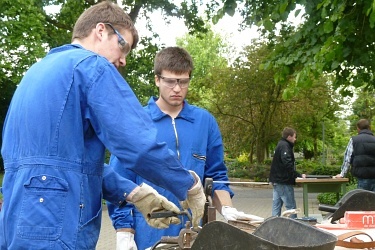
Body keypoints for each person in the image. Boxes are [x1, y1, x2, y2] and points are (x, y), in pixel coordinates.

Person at [0, 2, 205, 249]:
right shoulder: (92, 67)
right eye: (123, 46)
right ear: (100, 31)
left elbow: (66, 162)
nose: (122, 60)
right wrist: (188, 185)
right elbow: (138, 145)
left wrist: (134, 193)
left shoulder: (35, 74)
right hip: (56, 224)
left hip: (16, 222)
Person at [107, 46, 264, 250]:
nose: (177, 89)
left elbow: (215, 176)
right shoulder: (135, 122)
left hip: (196, 233)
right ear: (157, 79)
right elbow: (120, 183)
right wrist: (124, 234)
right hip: (149, 231)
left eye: (183, 82)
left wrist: (228, 209)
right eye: (170, 81)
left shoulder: (204, 122)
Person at [269, 127, 306, 219]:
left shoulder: (280, 144)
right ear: (289, 137)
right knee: (291, 207)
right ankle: (294, 225)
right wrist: (299, 175)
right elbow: (288, 164)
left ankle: (274, 225)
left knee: (276, 205)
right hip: (283, 181)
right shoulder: (285, 146)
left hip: (276, 180)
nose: (295, 139)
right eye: (294, 137)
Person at [335, 119, 375, 191]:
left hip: (362, 176)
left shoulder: (354, 140)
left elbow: (348, 158)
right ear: (369, 127)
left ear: (358, 128)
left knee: (362, 200)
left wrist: (342, 174)